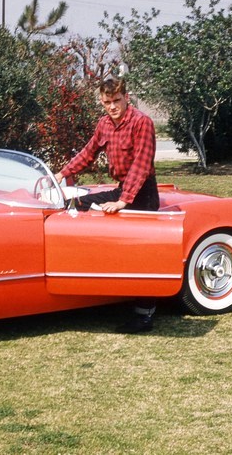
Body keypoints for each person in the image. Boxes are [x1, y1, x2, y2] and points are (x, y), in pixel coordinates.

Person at [54, 76, 159, 334]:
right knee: (74, 204)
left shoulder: (141, 122)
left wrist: (123, 201)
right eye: (107, 102)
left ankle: (144, 316)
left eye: (116, 101)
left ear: (126, 98)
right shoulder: (104, 124)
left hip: (142, 194)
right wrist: (60, 174)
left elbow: (141, 165)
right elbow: (88, 152)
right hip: (123, 188)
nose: (112, 106)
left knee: (139, 254)